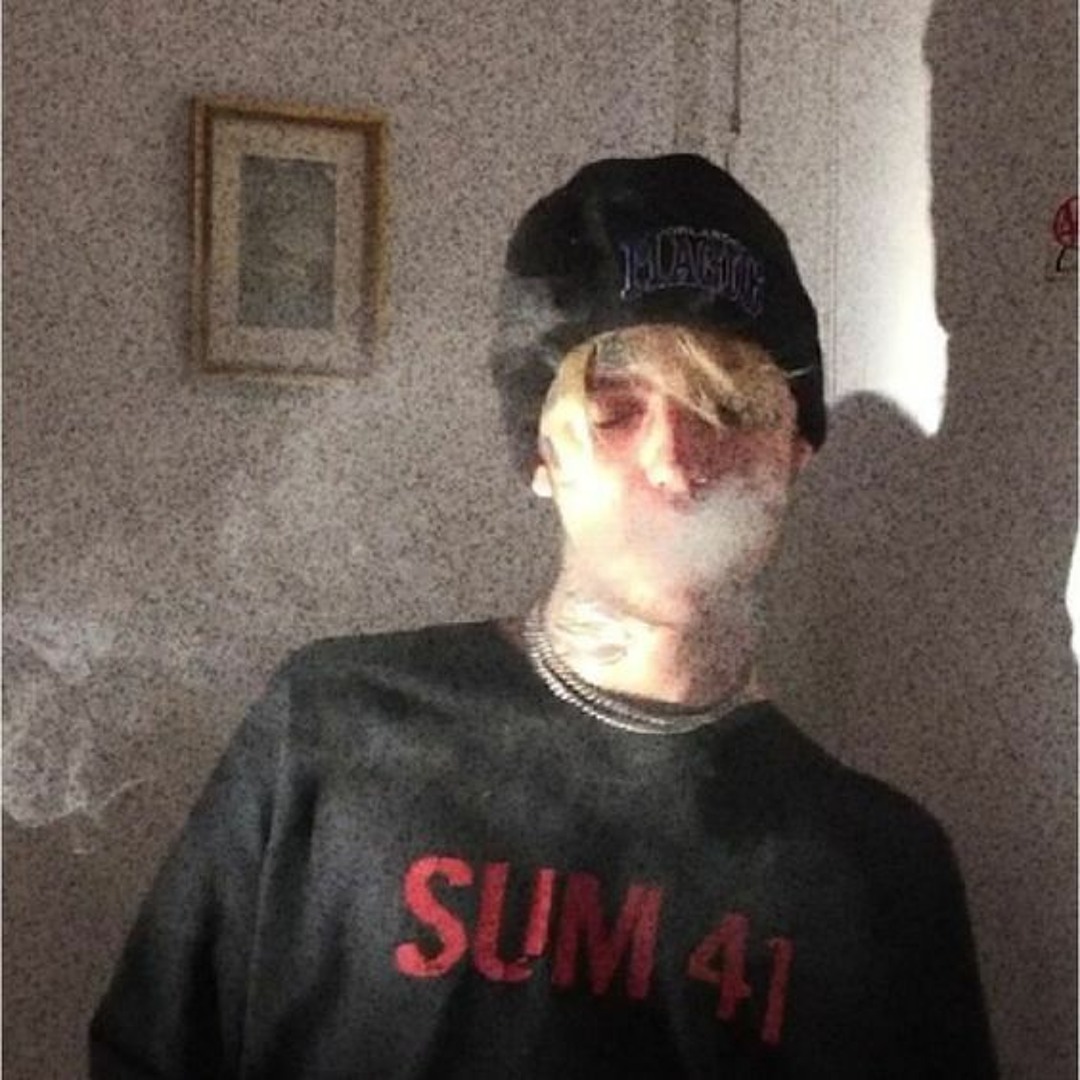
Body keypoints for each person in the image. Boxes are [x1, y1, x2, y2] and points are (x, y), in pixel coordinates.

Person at [90, 154, 997, 1078]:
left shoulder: (881, 870)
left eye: (727, 407)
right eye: (613, 412)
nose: (676, 464)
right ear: (540, 456)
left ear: (796, 449)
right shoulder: (331, 729)